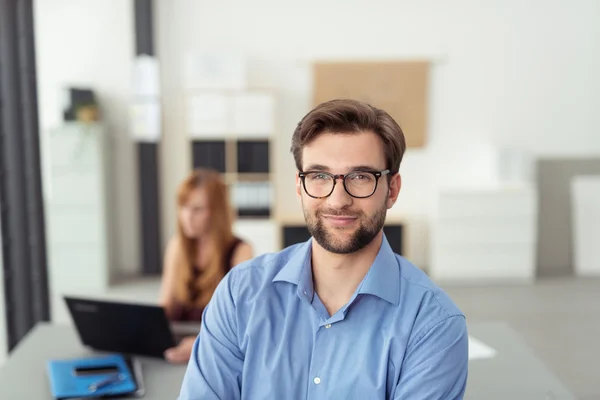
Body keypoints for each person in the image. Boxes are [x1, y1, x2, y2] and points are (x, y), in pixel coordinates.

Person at [178, 99, 469, 399]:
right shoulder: (240, 295)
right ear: (299, 186)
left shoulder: (434, 325)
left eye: (360, 177)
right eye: (319, 176)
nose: (337, 200)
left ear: (392, 189)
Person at [158, 168, 253, 364]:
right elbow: (165, 306)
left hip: (216, 350)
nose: (187, 216)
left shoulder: (240, 251)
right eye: (183, 207)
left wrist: (200, 343)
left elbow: (243, 321)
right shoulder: (177, 245)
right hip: (177, 340)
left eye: (197, 209)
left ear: (216, 213)